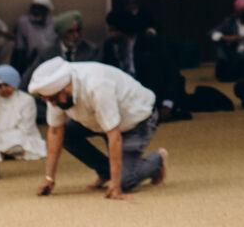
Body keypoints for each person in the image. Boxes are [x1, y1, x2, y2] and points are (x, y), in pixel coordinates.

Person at [29, 56, 167, 199]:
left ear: (66, 86)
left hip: (136, 120)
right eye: (49, 100)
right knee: (66, 135)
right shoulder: (56, 93)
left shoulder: (97, 85)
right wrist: (49, 178)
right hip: (98, 120)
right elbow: (55, 131)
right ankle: (106, 172)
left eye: (54, 99)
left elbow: (114, 135)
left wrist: (116, 186)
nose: (53, 104)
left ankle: (158, 160)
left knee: (124, 182)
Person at [0, 64, 46, 160]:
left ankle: (6, 152)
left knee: (16, 142)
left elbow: (26, 129)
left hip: (20, 137)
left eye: (6, 85)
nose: (3, 89)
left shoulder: (26, 100)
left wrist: (6, 136)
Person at [12, 0, 56, 73]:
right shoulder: (24, 22)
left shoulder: (54, 22)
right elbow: (20, 48)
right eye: (34, 8)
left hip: (51, 59)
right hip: (32, 60)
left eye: (40, 9)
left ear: (46, 10)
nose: (36, 11)